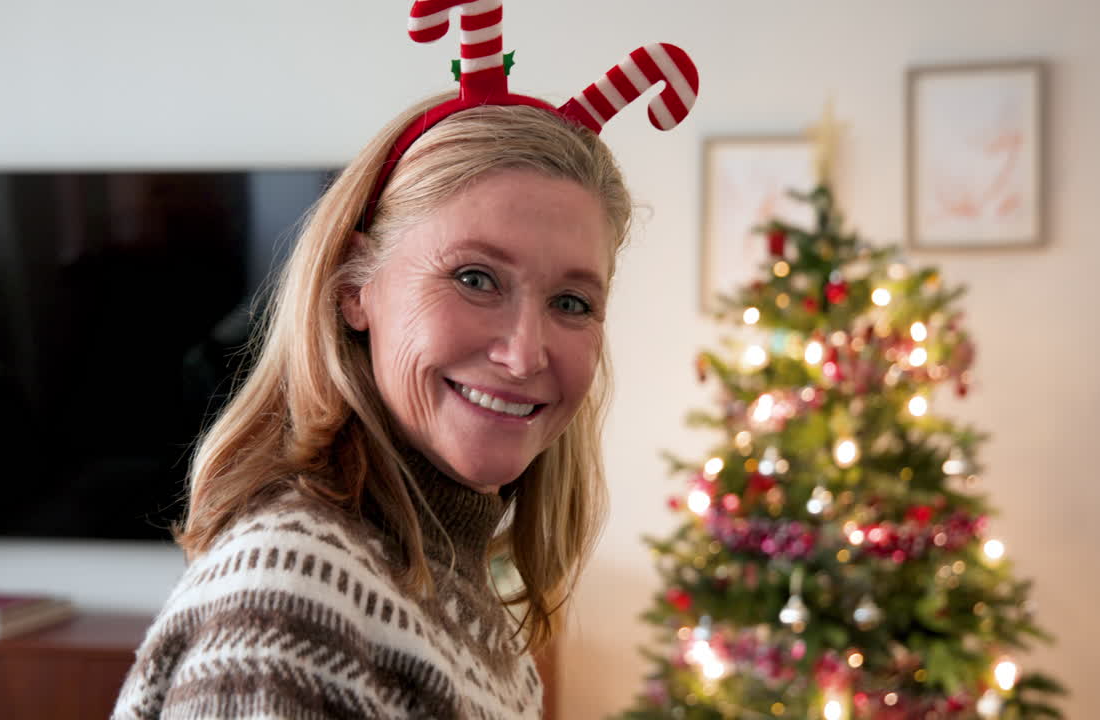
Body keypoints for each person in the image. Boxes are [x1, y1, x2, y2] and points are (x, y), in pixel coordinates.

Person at [112, 4, 698, 718]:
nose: (523, 354)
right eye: (475, 278)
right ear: (356, 287)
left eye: (572, 303)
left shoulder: (462, 596)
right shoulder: (292, 591)